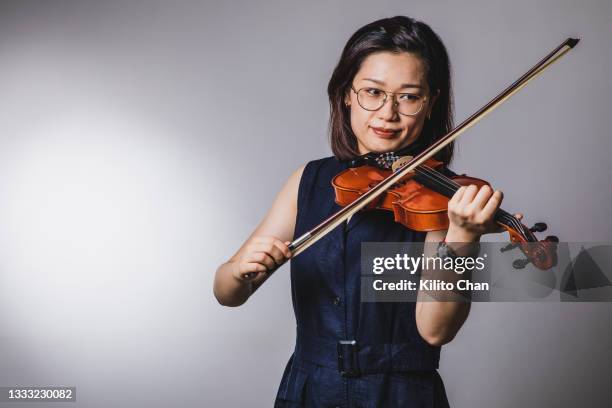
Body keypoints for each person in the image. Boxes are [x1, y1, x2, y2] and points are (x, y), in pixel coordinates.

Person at [214, 15, 520, 407]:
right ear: (345, 93)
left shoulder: (446, 199)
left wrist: (462, 237)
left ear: (431, 103)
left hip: (400, 396)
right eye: (372, 92)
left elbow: (435, 331)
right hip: (310, 391)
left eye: (409, 96)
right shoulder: (309, 181)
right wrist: (241, 273)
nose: (387, 113)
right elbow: (226, 292)